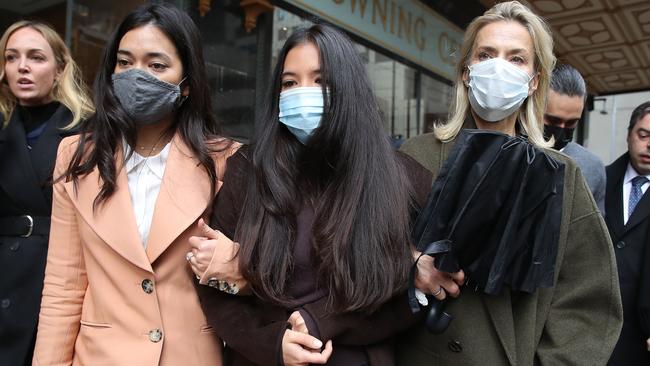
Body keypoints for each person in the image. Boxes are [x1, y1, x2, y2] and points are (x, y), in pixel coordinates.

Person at [188, 24, 449, 366]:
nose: (302, 92)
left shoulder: (399, 177)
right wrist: (271, 343)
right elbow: (214, 291)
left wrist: (324, 322)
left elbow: (416, 293)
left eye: (320, 80)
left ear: (347, 88)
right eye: (289, 83)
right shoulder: (249, 170)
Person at [396, 2, 622, 365]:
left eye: (516, 59)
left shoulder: (561, 176)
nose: (498, 67)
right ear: (467, 72)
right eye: (486, 54)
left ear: (534, 81)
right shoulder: (415, 155)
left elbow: (588, 302)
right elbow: (363, 251)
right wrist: (404, 264)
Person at [32, 4, 236, 365]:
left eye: (157, 65)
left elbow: (257, 271)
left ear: (187, 83)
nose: (136, 75)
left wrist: (235, 263)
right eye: (124, 62)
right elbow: (64, 287)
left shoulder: (225, 161)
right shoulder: (77, 157)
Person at [0, 20, 93, 366]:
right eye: (12, 57)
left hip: (57, 281)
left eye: (36, 57)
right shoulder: (3, 130)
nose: (22, 66)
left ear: (59, 69)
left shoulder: (86, 131)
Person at [606, 101, 650, 365]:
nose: (649, 145)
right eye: (643, 135)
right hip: (594, 329)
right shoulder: (599, 180)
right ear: (629, 134)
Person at [543, 63, 606, 213]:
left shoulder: (592, 167)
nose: (562, 128)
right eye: (553, 121)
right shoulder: (512, 151)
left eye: (571, 122)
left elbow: (592, 230)